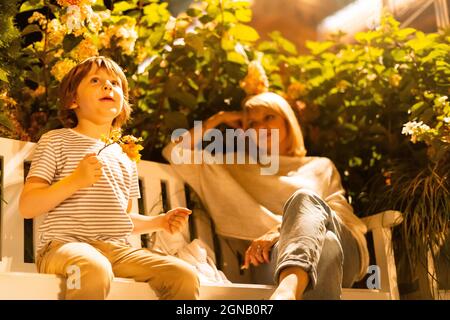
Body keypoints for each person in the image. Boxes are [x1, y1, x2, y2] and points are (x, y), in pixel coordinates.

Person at [19, 56, 199, 300]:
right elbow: (28, 206)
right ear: (73, 100)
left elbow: (121, 219)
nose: (108, 86)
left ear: (123, 103)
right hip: (63, 248)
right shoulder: (56, 141)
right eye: (95, 80)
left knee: (183, 275)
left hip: (118, 252)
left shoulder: (125, 156)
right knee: (93, 268)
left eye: (115, 83)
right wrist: (75, 181)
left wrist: (157, 222)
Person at [162, 92, 369, 299]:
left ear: (287, 121)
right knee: (327, 244)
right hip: (273, 260)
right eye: (252, 123)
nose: (260, 127)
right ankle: (288, 291)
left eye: (269, 117)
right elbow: (175, 151)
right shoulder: (236, 167)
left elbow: (341, 216)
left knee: (306, 201)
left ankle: (286, 293)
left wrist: (281, 229)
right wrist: (220, 119)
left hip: (345, 256)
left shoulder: (320, 166)